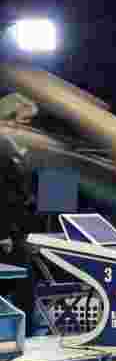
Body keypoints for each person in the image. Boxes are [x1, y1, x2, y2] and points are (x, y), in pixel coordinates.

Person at [0, 93, 39, 319]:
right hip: (6, 235)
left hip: (19, 232)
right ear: (7, 119)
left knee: (24, 292)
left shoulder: (18, 148)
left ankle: (27, 340)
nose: (30, 128)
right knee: (18, 291)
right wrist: (2, 233)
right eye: (26, 122)